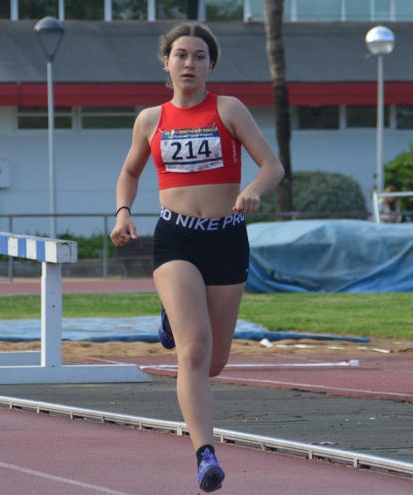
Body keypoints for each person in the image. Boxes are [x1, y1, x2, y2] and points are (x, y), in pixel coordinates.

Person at [110, 21, 284, 493]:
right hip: (177, 240)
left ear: (211, 65)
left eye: (199, 56)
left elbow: (272, 165)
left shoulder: (228, 109)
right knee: (193, 350)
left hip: (227, 239)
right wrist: (123, 211)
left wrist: (254, 189)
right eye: (181, 55)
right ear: (165, 63)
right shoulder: (151, 119)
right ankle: (205, 453)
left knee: (214, 363)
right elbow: (130, 172)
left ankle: (173, 315)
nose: (189, 63)